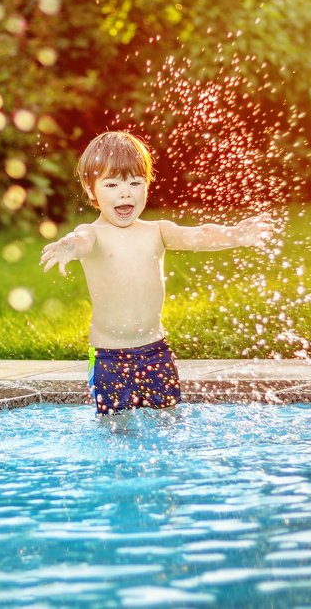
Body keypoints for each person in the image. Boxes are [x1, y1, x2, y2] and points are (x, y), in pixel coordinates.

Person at [40, 131, 274, 415]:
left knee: (168, 420)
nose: (125, 192)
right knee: (116, 429)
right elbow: (79, 241)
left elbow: (198, 235)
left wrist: (235, 235)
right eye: (112, 184)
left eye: (135, 183)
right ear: (91, 191)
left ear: (147, 186)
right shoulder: (94, 234)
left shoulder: (157, 231)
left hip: (155, 352)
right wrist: (67, 247)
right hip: (108, 357)